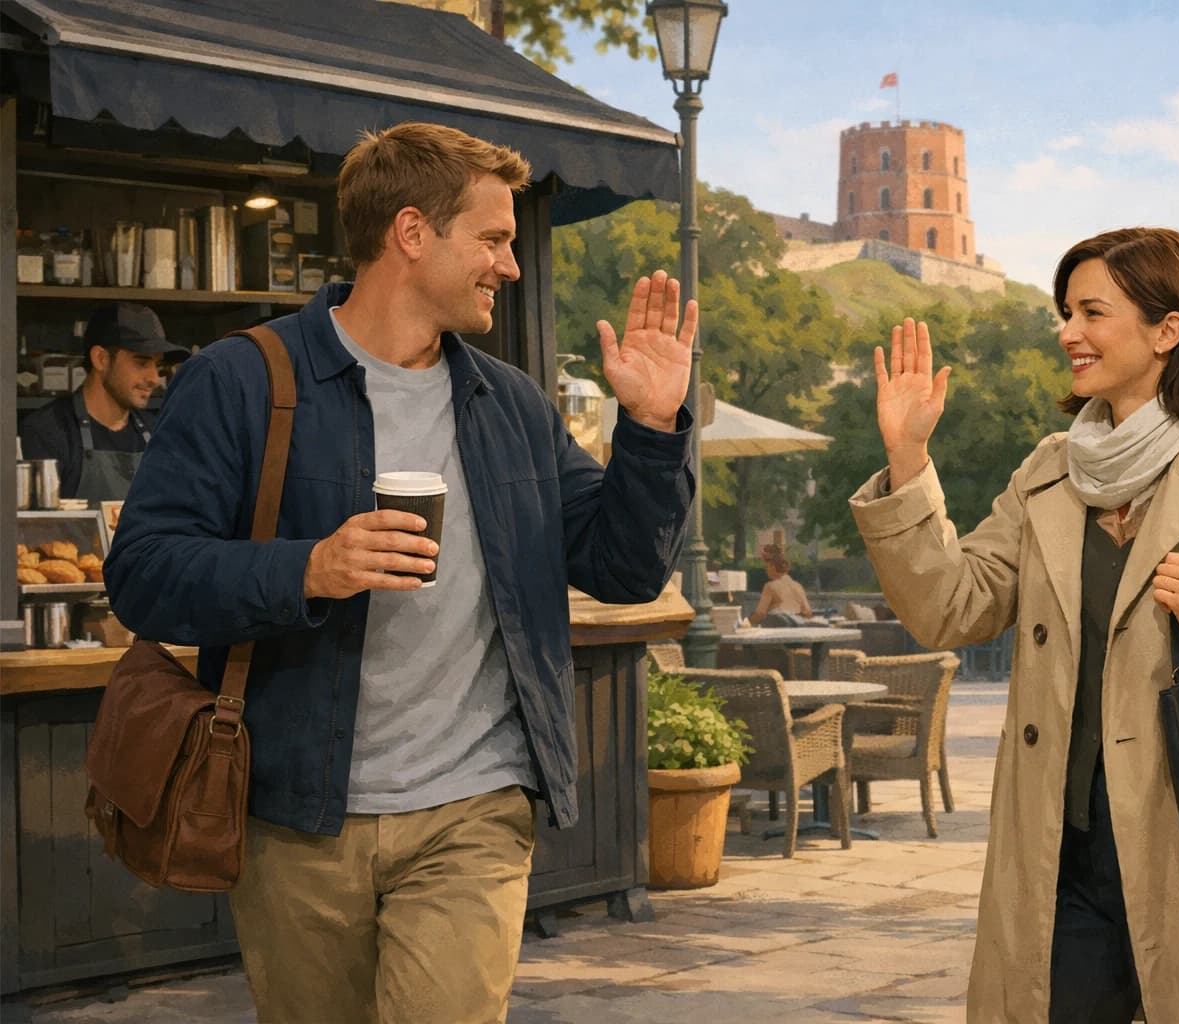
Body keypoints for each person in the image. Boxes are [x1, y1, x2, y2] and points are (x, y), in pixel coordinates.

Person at [104, 122, 698, 1023]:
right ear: (412, 234)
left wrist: (652, 433)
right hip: (295, 816)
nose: (512, 265)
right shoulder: (241, 380)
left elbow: (624, 568)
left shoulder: (514, 407)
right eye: (493, 240)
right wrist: (311, 567)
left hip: (475, 809)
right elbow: (144, 575)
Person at [848, 227, 1179, 1024]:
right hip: (1062, 861)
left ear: (1168, 329)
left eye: (1092, 311)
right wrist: (907, 461)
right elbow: (950, 606)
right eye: (1065, 312)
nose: (1068, 332)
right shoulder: (1048, 473)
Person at [19, 302, 188, 503]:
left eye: (157, 365)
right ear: (101, 359)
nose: (154, 378)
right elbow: (36, 528)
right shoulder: (46, 433)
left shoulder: (158, 433)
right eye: (141, 362)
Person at [747, 542, 813, 625]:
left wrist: (746, 623)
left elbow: (760, 614)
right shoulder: (798, 586)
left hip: (777, 629)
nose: (766, 570)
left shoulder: (770, 586)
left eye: (766, 567)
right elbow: (808, 612)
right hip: (795, 629)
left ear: (772, 566)